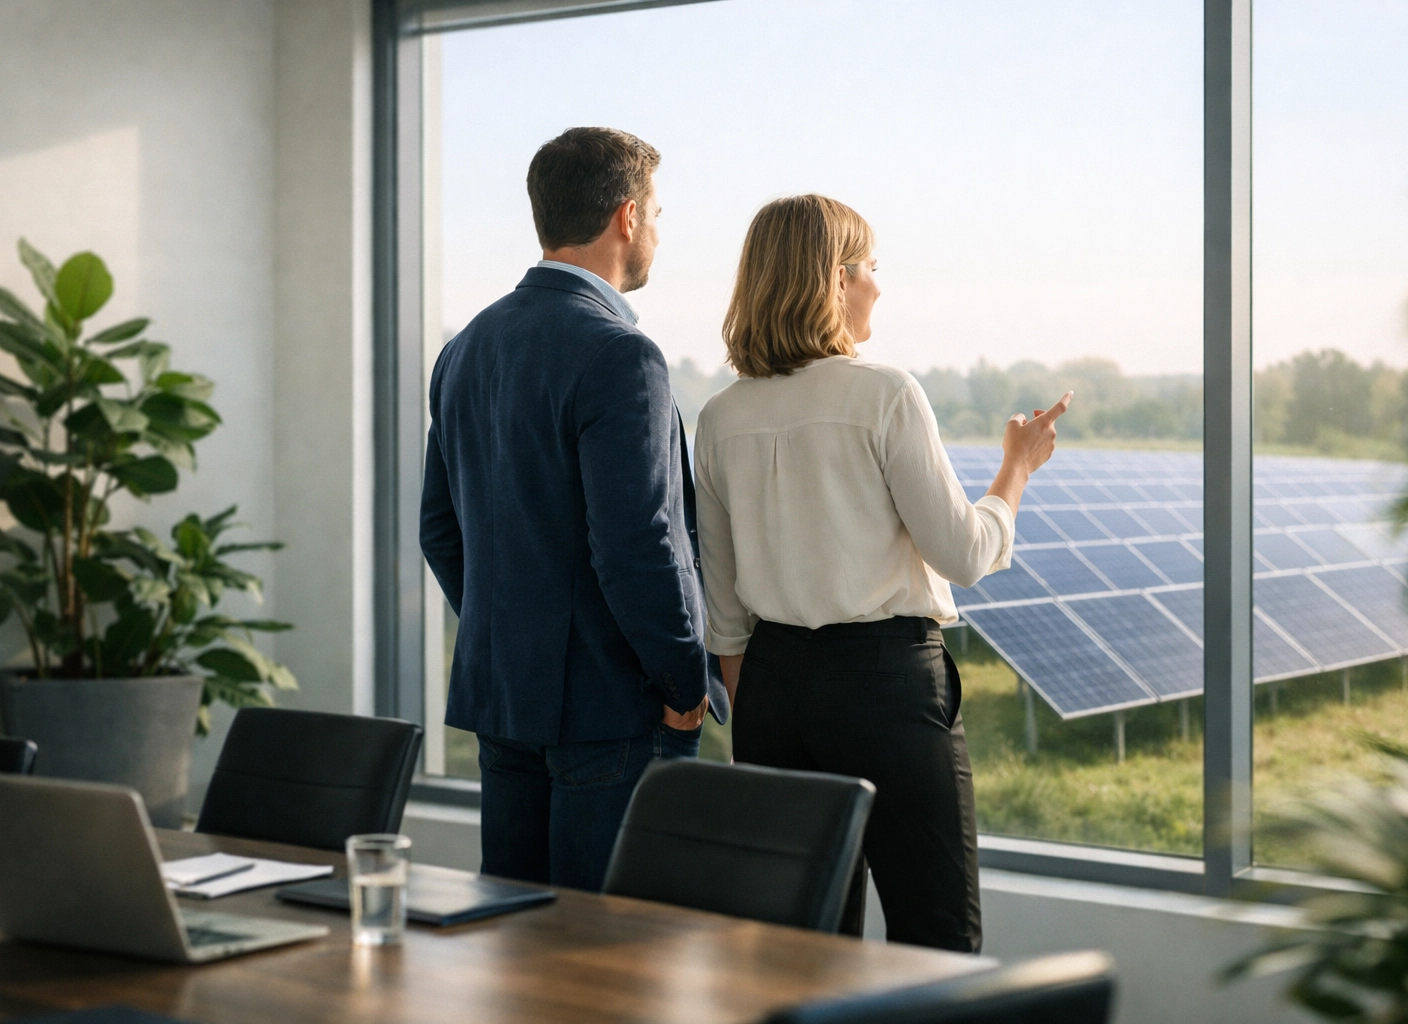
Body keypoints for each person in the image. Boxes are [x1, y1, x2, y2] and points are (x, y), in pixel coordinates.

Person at [694, 194, 1070, 952]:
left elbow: (724, 608)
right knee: (936, 940)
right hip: (886, 690)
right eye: (870, 269)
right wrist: (1015, 469)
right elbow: (965, 554)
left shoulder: (720, 417)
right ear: (836, 280)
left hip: (770, 693)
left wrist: (764, 711)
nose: (878, 287)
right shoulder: (884, 393)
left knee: (797, 948)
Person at [420, 127, 727, 891]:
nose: (658, 230)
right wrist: (684, 682)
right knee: (611, 959)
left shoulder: (466, 349)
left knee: (517, 943)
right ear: (626, 217)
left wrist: (512, 629)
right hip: (614, 708)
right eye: (656, 211)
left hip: (506, 698)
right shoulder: (621, 354)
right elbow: (637, 544)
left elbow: (439, 529)